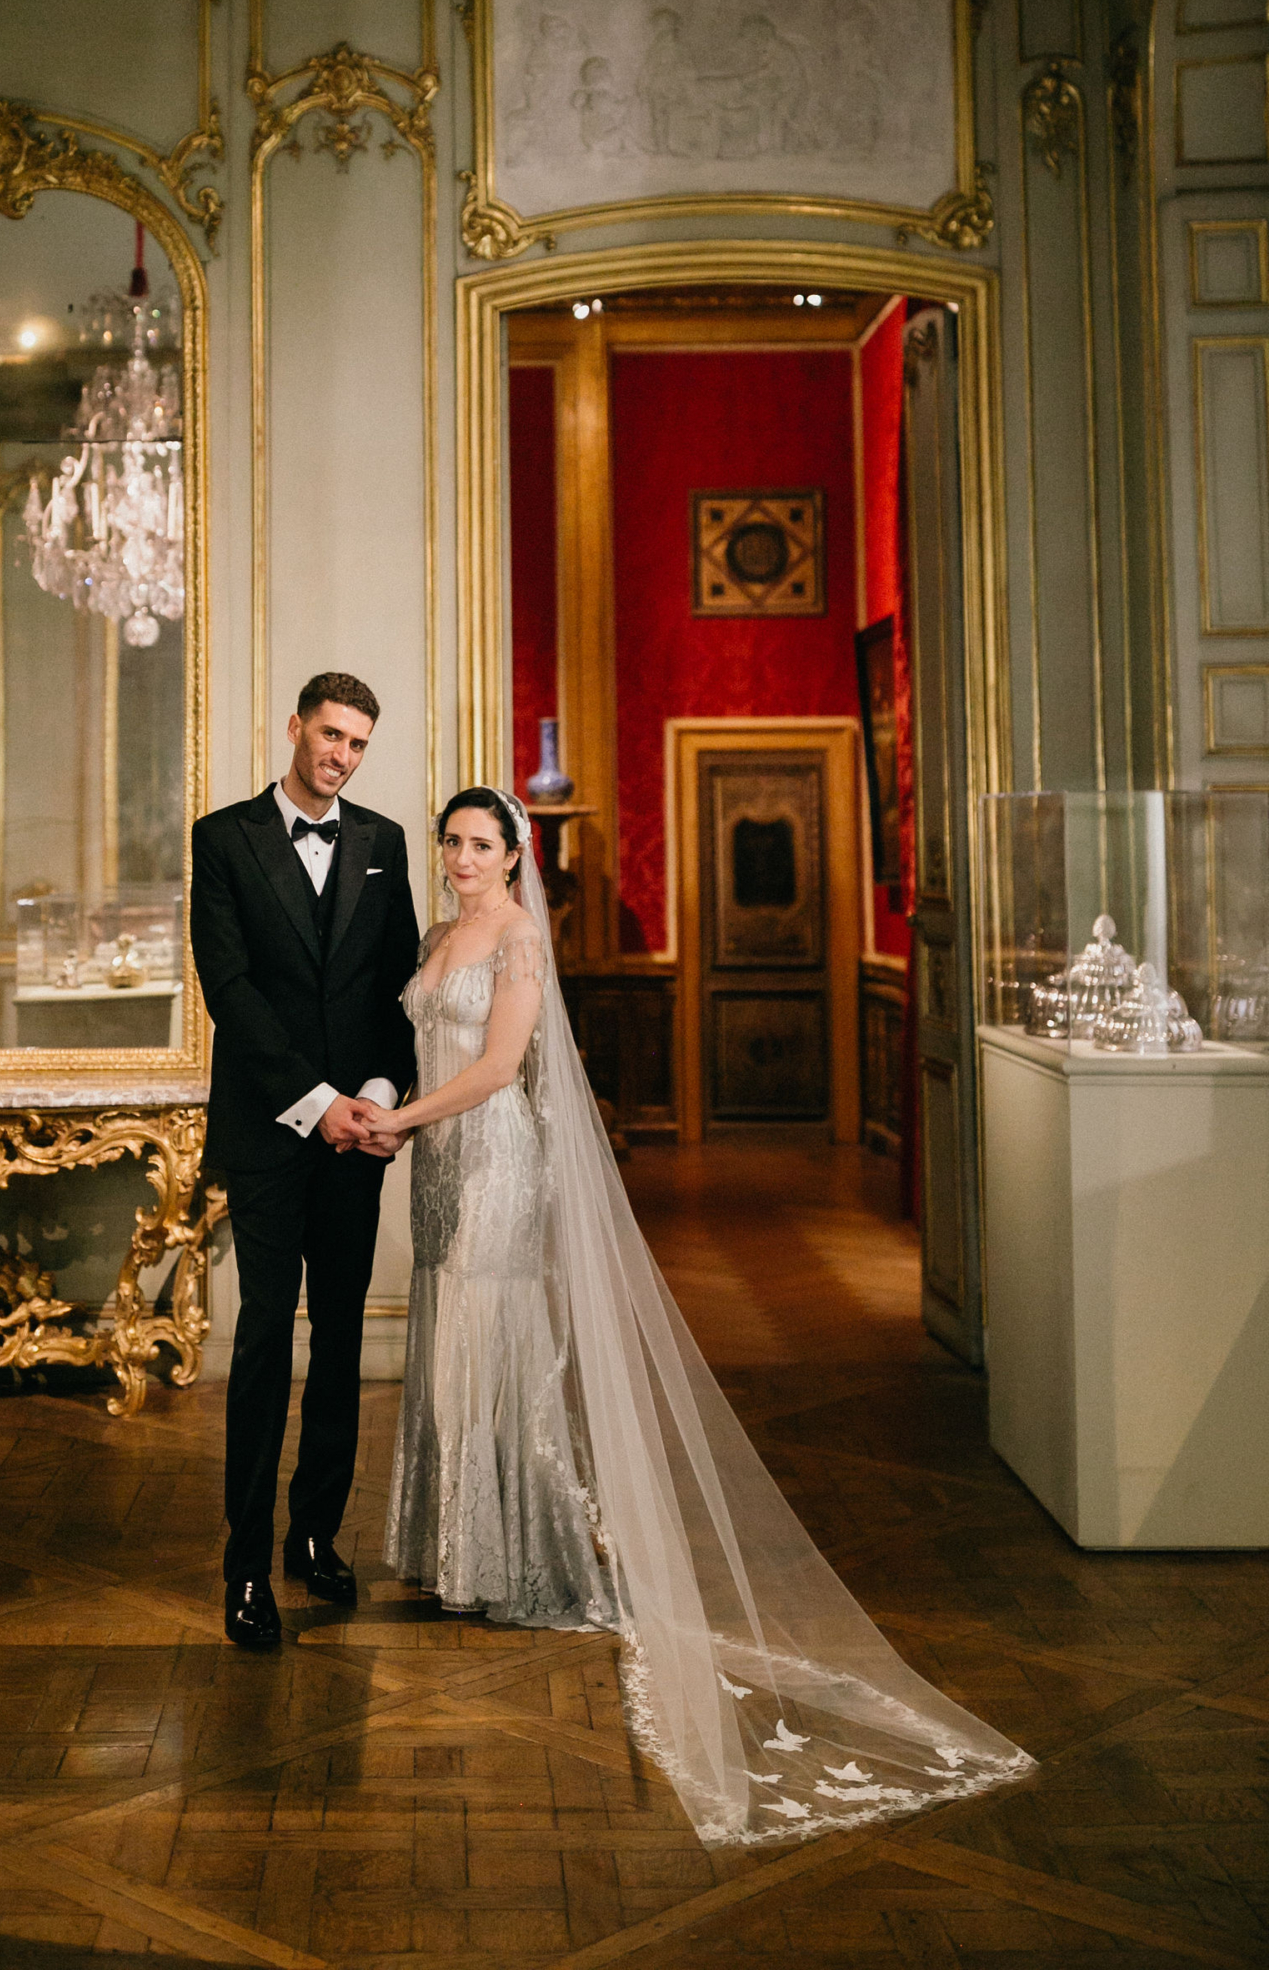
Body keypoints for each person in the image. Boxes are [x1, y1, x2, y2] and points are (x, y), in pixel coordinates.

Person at [368, 786, 1034, 1848]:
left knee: (491, 1350)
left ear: (512, 854)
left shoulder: (521, 937)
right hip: (439, 1167)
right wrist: (386, 1108)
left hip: (495, 1162)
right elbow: (414, 1040)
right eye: (451, 840)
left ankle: (522, 1564)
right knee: (449, 1347)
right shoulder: (439, 930)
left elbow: (499, 1070)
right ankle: (457, 1554)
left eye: (480, 843)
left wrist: (399, 1119)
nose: (460, 857)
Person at [189, 671, 420, 1651]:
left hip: (358, 1138)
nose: (342, 755)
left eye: (359, 743)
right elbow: (228, 990)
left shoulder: (385, 843)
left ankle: (315, 1533)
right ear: (294, 727)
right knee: (262, 1344)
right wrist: (315, 1105)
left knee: (338, 1344)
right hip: (271, 1133)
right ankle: (245, 1568)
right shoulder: (222, 838)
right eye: (331, 735)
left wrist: (375, 1091)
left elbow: (399, 985)